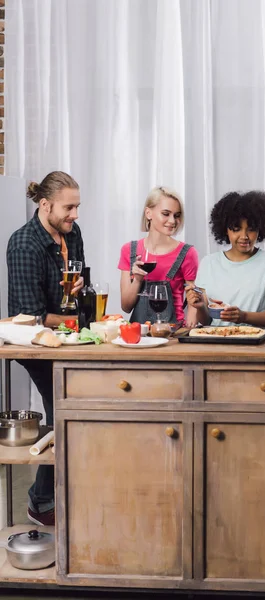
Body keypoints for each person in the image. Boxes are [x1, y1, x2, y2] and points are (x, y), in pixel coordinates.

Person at [7, 171, 85, 527]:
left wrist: (79, 289)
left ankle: (72, 491)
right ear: (45, 205)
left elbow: (77, 286)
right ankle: (40, 502)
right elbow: (32, 314)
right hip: (35, 343)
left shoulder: (73, 233)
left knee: (78, 408)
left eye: (77, 207)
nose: (75, 215)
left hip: (70, 337)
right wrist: (72, 320)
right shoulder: (24, 243)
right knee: (65, 410)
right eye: (69, 207)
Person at [186, 190, 265, 326]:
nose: (244, 236)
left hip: (259, 343)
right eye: (236, 229)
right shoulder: (209, 263)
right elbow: (206, 321)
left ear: (261, 228)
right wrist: (200, 307)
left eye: (251, 229)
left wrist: (244, 316)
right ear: (225, 230)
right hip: (217, 342)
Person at [119, 186, 198, 325]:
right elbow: (126, 307)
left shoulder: (187, 253)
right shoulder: (129, 250)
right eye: (166, 214)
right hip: (139, 335)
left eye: (177, 215)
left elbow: (194, 301)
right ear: (148, 213)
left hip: (173, 333)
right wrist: (137, 279)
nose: (173, 221)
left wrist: (189, 332)